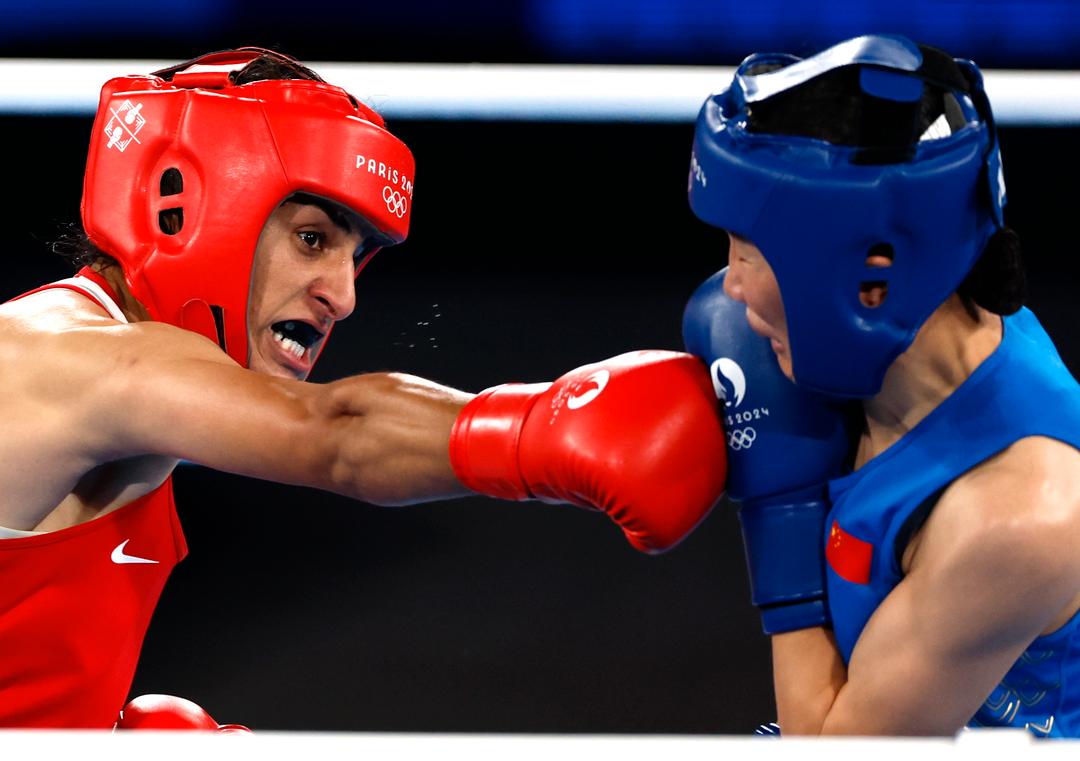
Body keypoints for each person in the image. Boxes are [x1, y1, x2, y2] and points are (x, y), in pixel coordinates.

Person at [0, 47, 728, 729]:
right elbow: (338, 437)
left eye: (357, 257)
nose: (342, 297)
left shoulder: (113, 376)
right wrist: (542, 429)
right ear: (177, 202)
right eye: (312, 239)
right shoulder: (75, 360)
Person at [682, 34, 1080, 736]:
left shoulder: (1016, 515)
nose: (732, 288)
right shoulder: (911, 331)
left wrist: (780, 498)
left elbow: (829, 751)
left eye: (751, 253)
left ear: (867, 279)